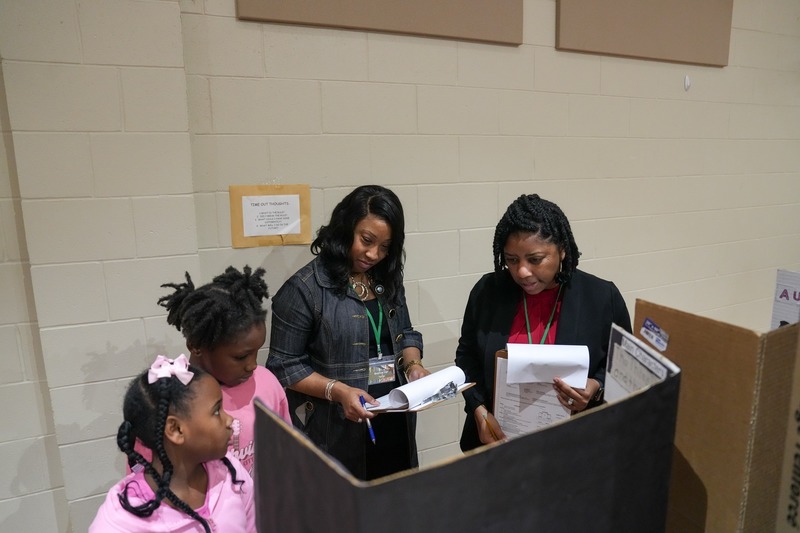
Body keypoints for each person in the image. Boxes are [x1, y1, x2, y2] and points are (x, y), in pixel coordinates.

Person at [267, 185, 429, 480]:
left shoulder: (386, 278)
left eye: (385, 246)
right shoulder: (303, 290)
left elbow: (405, 332)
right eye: (366, 240)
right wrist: (339, 391)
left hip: (393, 416)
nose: (374, 254)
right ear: (345, 228)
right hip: (337, 427)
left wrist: (414, 365)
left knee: (394, 501)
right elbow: (283, 367)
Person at [456, 194, 632, 451]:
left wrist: (595, 387)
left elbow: (622, 366)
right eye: (512, 260)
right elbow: (466, 357)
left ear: (561, 250)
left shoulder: (601, 297)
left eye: (535, 259)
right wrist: (478, 410)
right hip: (499, 443)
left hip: (574, 448)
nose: (522, 272)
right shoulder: (488, 292)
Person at [89, 355, 255, 532]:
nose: (229, 419)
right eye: (216, 411)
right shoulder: (119, 523)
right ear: (175, 429)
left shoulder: (232, 473)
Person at [156, 265, 290, 476]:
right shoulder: (170, 399)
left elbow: (284, 450)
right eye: (240, 357)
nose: (253, 365)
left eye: (256, 351)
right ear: (196, 345)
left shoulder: (266, 383)